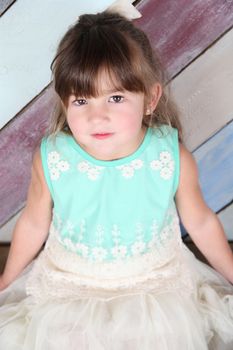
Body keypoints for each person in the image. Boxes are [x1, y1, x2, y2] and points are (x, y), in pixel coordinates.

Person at [0, 6, 233, 350]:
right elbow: (35, 222)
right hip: (73, 279)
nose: (98, 116)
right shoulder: (54, 157)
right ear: (65, 103)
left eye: (116, 97)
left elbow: (199, 221)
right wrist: (7, 279)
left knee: (160, 337)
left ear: (150, 98)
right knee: (63, 337)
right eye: (82, 100)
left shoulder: (169, 155)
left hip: (151, 279)